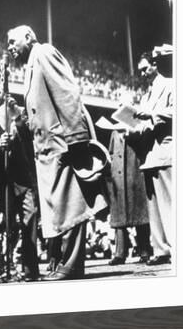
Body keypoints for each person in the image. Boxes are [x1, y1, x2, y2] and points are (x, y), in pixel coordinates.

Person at [7, 25, 108, 280]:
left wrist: (76, 140)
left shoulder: (43, 53)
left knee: (72, 205)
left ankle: (72, 265)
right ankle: (62, 262)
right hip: (46, 149)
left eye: (12, 41)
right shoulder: (31, 64)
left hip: (62, 144)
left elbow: (67, 93)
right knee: (60, 208)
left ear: (28, 37)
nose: (9, 47)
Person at [0, 85, 40, 281]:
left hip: (23, 176)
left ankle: (30, 270)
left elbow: (31, 133)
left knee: (30, 219)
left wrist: (16, 119)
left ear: (5, 92)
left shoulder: (19, 110)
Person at [133, 48, 173, 265]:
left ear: (155, 65)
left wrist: (152, 114)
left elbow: (178, 111)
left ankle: (176, 246)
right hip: (148, 154)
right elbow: (144, 124)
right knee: (154, 207)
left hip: (164, 149)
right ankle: (161, 249)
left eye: (145, 69)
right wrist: (131, 128)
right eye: (139, 71)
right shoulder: (146, 94)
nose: (142, 74)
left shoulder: (170, 84)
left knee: (168, 204)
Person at [104, 126, 152, 265]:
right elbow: (111, 153)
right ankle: (120, 253)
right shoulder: (114, 132)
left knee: (140, 214)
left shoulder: (138, 129)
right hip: (117, 179)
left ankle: (145, 251)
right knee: (118, 218)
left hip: (134, 176)